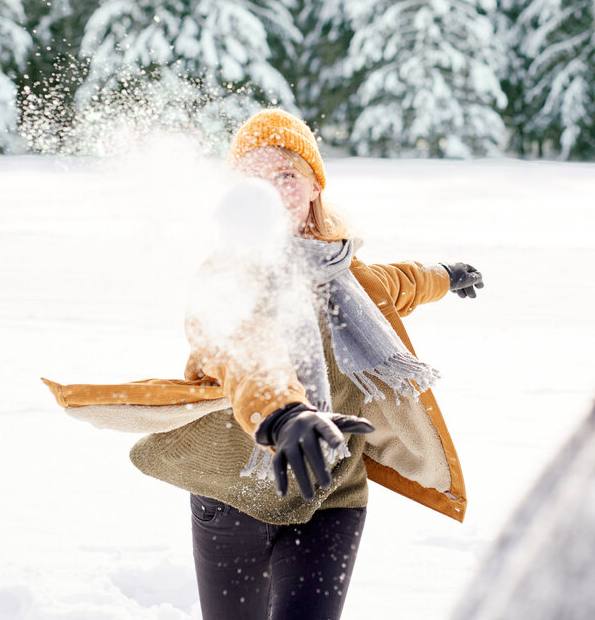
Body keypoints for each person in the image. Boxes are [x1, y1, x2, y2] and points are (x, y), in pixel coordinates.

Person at [129, 108, 484, 620]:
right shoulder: (224, 279)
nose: (272, 192)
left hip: (331, 495)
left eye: (286, 175)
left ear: (316, 185)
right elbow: (242, 351)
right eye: (254, 180)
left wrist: (445, 275)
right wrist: (284, 414)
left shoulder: (345, 273)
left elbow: (399, 283)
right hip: (233, 493)